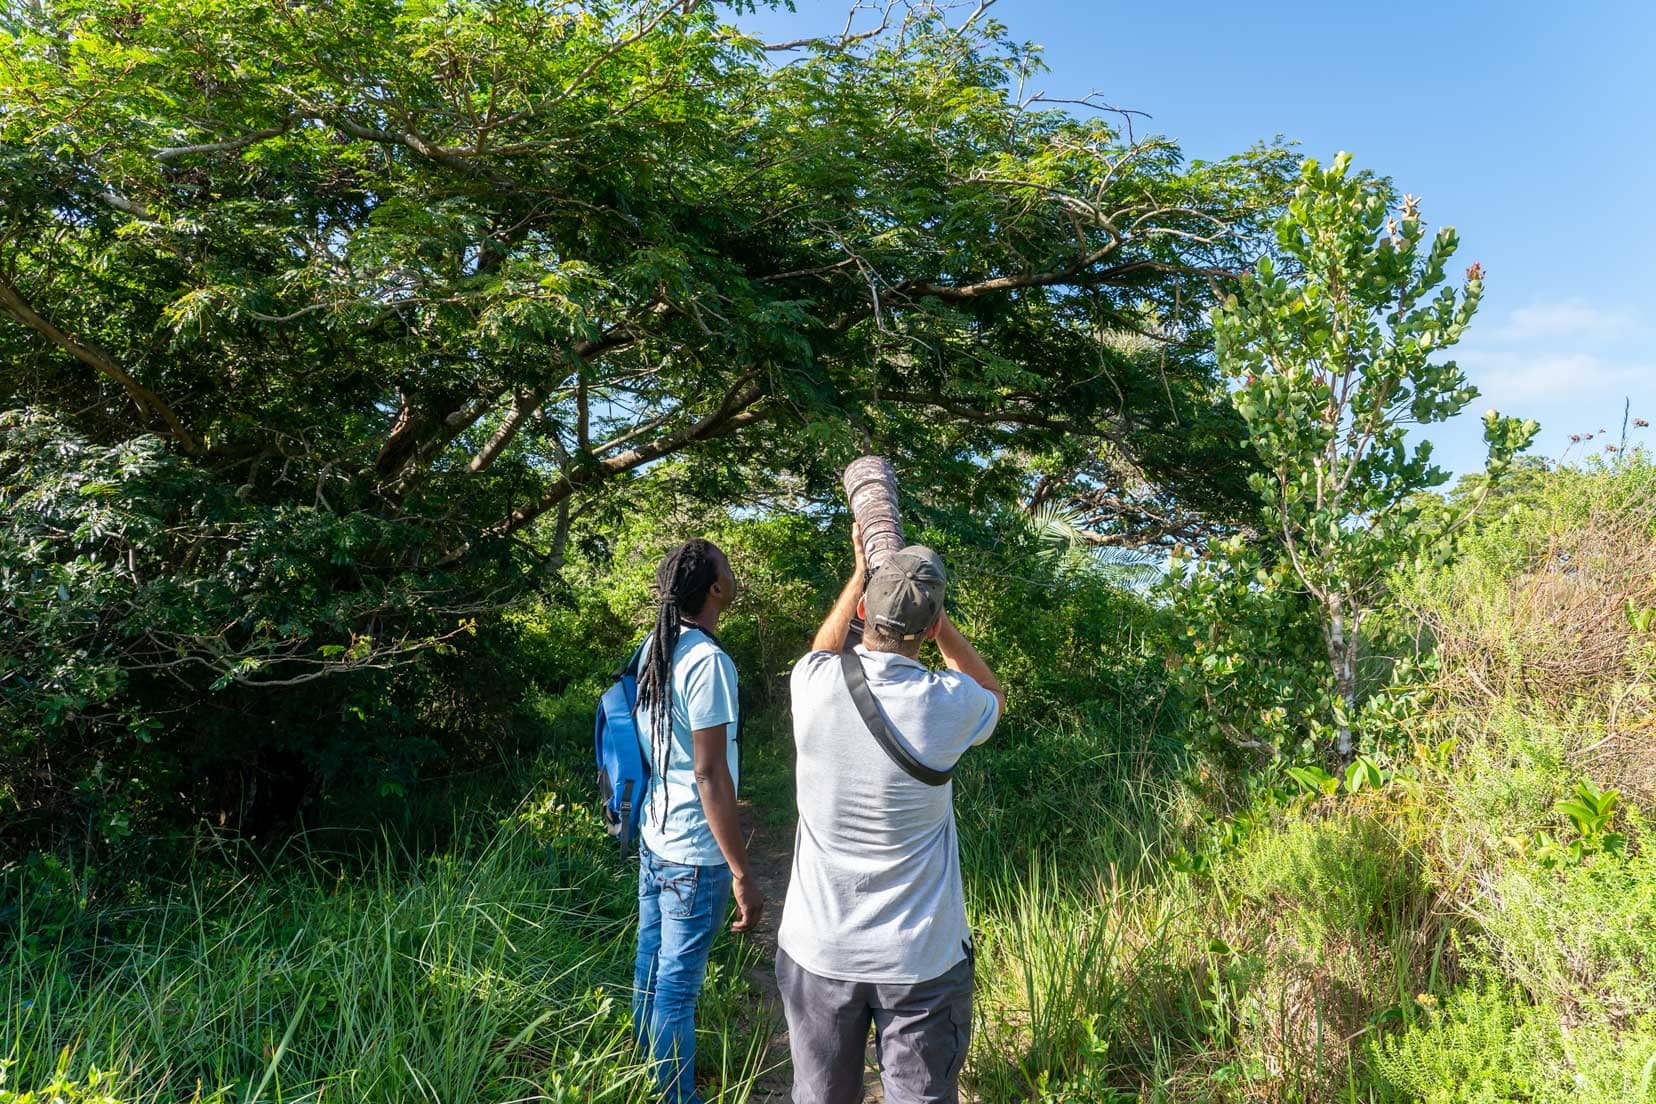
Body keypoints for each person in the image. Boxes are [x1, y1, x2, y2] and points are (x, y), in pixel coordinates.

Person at [777, 525, 1005, 1104]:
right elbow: (990, 689)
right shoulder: (949, 705)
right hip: (921, 957)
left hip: (819, 949)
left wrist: (860, 573)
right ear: (930, 629)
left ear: (860, 611)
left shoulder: (813, 685)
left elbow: (822, 650)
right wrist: (940, 622)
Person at [631, 538, 765, 1104]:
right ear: (715, 588)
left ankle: (644, 1073)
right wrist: (740, 870)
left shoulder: (657, 647)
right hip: (693, 851)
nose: (733, 574)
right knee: (677, 991)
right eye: (727, 568)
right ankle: (675, 1096)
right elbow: (709, 775)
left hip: (655, 834)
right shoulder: (709, 663)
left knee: (650, 964)